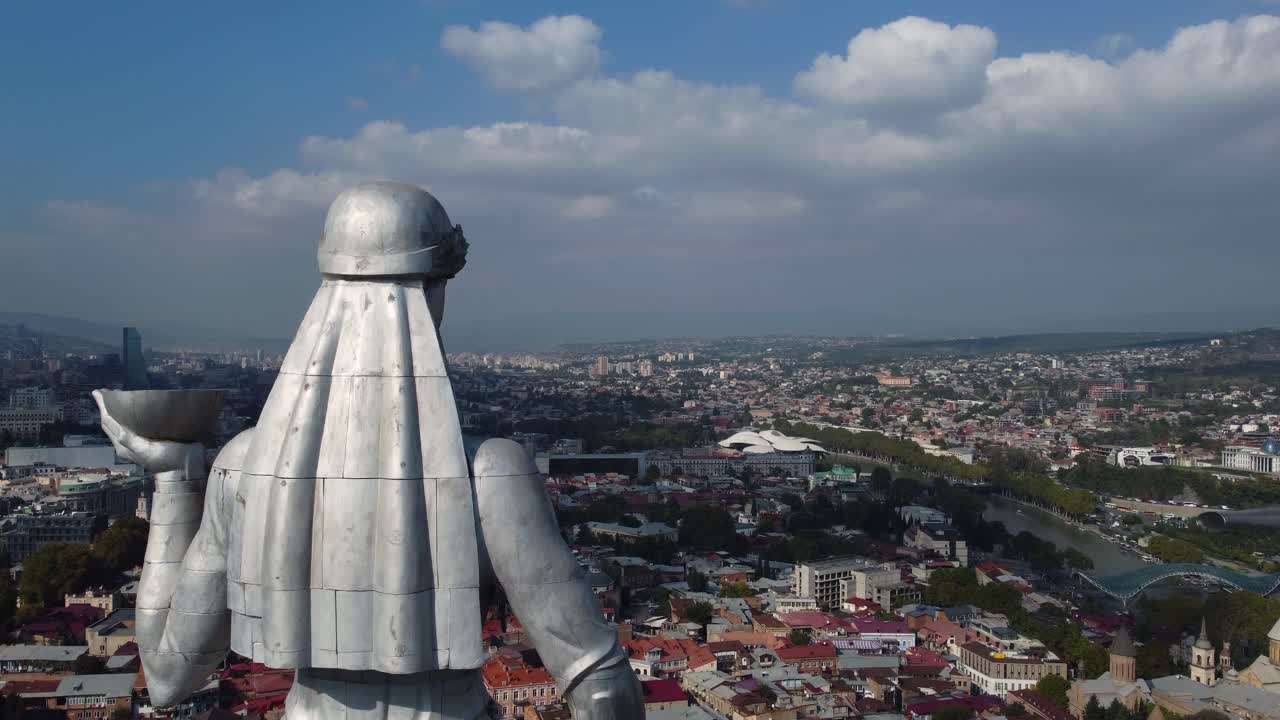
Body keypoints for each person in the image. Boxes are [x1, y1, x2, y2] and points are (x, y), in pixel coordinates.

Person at [97, 182, 642, 720]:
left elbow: (167, 677)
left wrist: (175, 481)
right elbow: (599, 687)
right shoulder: (489, 474)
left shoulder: (242, 468)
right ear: (433, 291)